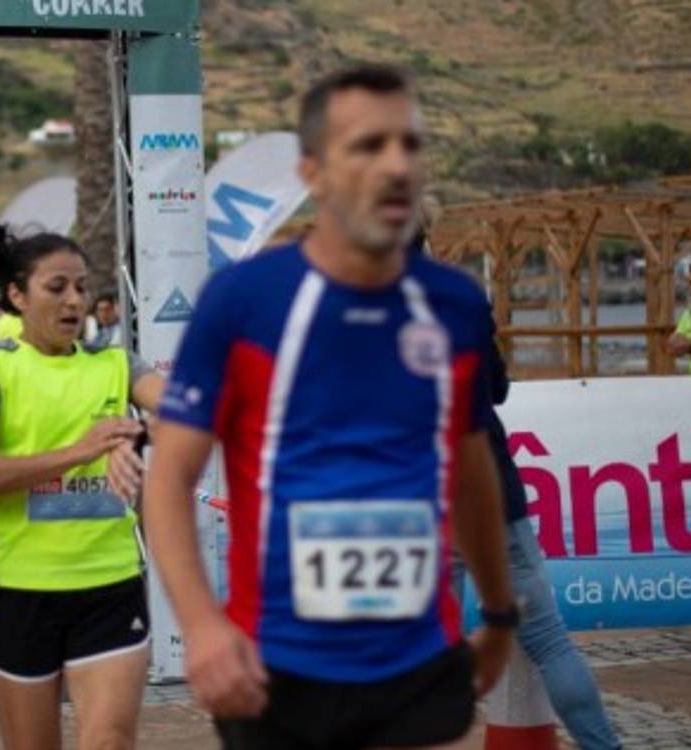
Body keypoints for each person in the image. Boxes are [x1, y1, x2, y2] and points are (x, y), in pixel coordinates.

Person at [142, 65, 516, 749]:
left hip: (420, 664)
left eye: (410, 144)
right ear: (313, 172)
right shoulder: (242, 302)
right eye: (368, 147)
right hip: (273, 672)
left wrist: (498, 612)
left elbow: (469, 468)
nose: (396, 165)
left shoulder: (453, 304)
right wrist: (200, 627)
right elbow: (167, 480)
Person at [0, 219, 166, 750]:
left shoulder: (116, 363)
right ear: (17, 296)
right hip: (17, 589)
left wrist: (136, 436)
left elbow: (186, 408)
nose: (75, 301)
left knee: (111, 742)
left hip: (109, 584)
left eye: (82, 287)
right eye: (57, 288)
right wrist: (84, 450)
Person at [474, 343, 623, 750]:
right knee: (548, 640)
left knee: (408, 650)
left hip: (409, 493)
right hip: (487, 486)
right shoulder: (458, 299)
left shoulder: (341, 299)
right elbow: (496, 386)